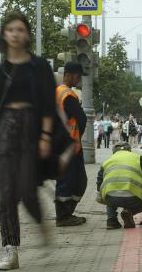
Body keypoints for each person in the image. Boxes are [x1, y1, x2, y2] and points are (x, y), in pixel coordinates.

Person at [0, 12, 55, 270]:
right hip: (5, 131)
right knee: (5, 192)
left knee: (26, 189)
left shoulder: (39, 67)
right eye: (10, 29)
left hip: (32, 129)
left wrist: (46, 136)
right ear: (4, 34)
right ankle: (9, 249)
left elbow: (48, 104)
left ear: (27, 34)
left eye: (20, 29)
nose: (15, 34)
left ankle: (40, 222)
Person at [96, 141, 142, 229]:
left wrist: (104, 200)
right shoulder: (138, 159)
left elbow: (99, 192)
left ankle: (111, 220)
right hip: (133, 199)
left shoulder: (106, 162)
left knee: (108, 192)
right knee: (133, 198)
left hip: (111, 198)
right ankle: (128, 211)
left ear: (114, 152)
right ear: (130, 150)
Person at [55, 62, 88, 227]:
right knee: (70, 181)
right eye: (77, 76)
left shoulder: (58, 93)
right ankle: (63, 216)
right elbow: (82, 118)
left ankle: (67, 213)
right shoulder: (67, 95)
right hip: (69, 146)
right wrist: (77, 138)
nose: (79, 79)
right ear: (68, 74)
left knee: (76, 180)